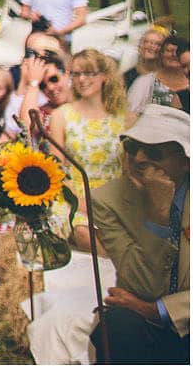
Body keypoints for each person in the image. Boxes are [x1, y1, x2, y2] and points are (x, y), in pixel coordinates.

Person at [75, 106, 189, 363]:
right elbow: (142, 285)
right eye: (131, 147)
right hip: (141, 317)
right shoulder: (108, 199)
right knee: (117, 324)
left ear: (185, 161)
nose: (138, 158)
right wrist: (158, 215)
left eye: (153, 151)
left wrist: (157, 310)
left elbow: (147, 301)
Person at [49, 50, 131, 193]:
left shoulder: (125, 118)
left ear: (104, 76)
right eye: (76, 74)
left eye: (88, 73)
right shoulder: (60, 116)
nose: (81, 79)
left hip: (114, 198)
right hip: (74, 198)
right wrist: (81, 204)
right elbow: (57, 170)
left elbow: (130, 170)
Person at [128, 33, 190, 116]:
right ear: (161, 54)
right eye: (169, 51)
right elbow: (130, 111)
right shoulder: (144, 82)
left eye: (177, 52)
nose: (174, 55)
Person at [127, 25, 170, 90]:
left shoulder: (168, 76)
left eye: (158, 44)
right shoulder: (127, 76)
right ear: (140, 46)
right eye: (146, 42)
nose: (151, 46)